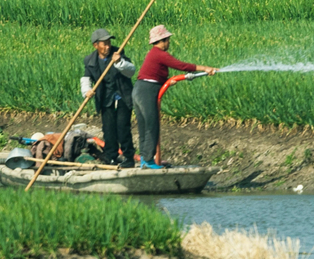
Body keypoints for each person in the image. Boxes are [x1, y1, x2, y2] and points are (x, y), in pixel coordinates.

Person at [133, 25, 218, 170]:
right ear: (163, 40)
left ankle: (145, 160)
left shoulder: (153, 54)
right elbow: (181, 65)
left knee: (144, 126)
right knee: (151, 126)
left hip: (139, 89)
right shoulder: (159, 53)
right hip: (147, 90)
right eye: (168, 40)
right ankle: (147, 160)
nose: (169, 42)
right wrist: (205, 68)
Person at [81, 28, 136, 168]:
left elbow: (131, 71)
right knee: (108, 129)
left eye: (108, 43)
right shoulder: (90, 61)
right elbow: (86, 78)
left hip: (122, 96)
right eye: (104, 44)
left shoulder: (118, 54)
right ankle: (111, 156)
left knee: (123, 127)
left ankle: (128, 157)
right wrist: (87, 91)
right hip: (105, 99)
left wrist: (119, 63)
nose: (107, 46)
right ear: (96, 45)